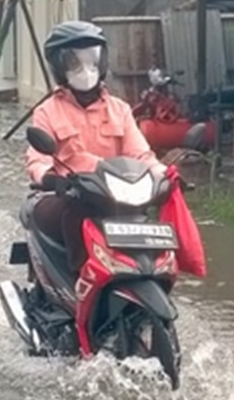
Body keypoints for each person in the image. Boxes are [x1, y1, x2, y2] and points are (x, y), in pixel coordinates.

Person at [26, 20, 159, 273]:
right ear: (59, 66)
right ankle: (80, 279)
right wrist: (49, 177)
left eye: (92, 61)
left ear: (102, 63)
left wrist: (164, 173)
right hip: (63, 196)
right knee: (77, 213)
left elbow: (140, 153)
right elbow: (37, 161)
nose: (85, 69)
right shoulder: (46, 111)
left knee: (145, 217)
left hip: (116, 196)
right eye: (75, 62)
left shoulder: (119, 109)